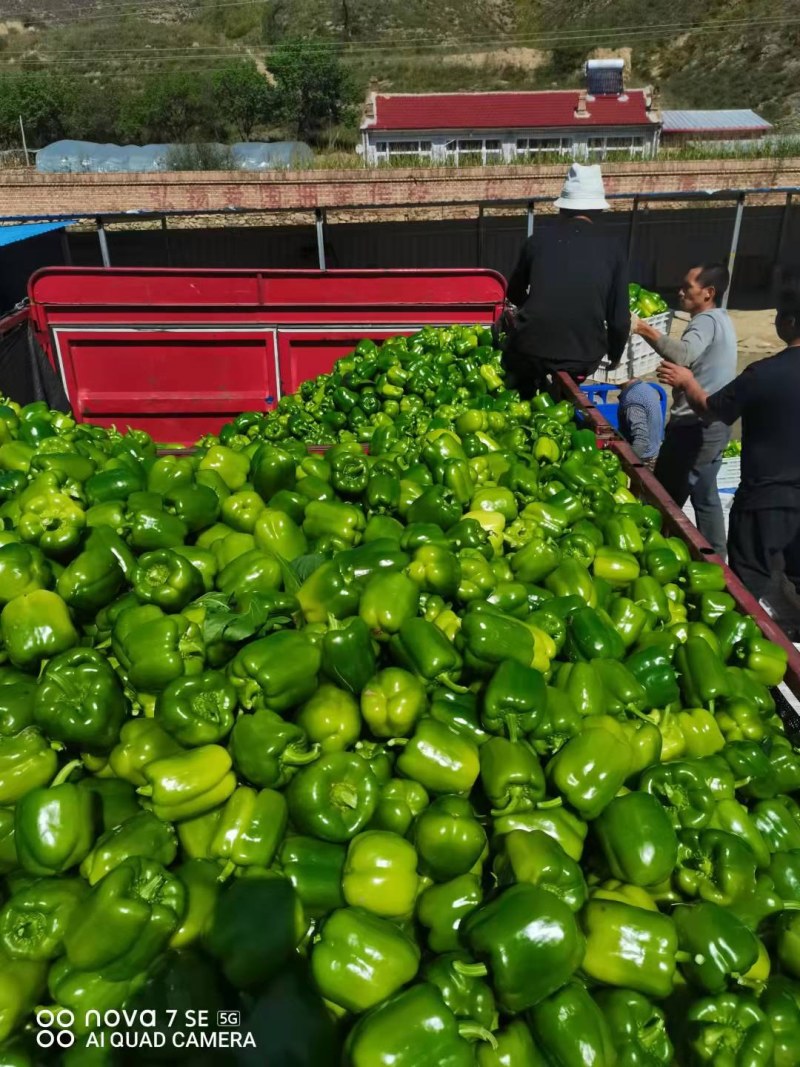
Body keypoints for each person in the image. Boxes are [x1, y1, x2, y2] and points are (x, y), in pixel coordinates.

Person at [657, 282, 800, 607]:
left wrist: (686, 382)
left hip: (767, 498)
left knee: (746, 589)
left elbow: (711, 410)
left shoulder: (763, 373)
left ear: (789, 322)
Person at [633, 263, 737, 559]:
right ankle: (718, 560)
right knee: (705, 496)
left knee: (664, 497)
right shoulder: (723, 319)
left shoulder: (705, 321)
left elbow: (683, 353)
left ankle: (654, 553)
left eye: (687, 287)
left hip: (695, 425)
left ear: (708, 293)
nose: (680, 292)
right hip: (716, 424)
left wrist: (642, 328)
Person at [502, 162, 630, 396]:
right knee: (566, 393)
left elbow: (513, 293)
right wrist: (615, 354)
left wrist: (535, 308)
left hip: (531, 348)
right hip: (584, 356)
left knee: (519, 375)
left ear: (562, 208)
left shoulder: (537, 241)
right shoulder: (614, 249)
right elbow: (619, 319)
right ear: (599, 210)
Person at [617, 378, 664, 470]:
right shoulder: (644, 387)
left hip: (644, 460)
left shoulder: (632, 400)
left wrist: (623, 465)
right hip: (654, 453)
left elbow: (641, 441)